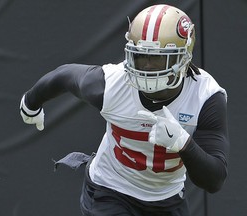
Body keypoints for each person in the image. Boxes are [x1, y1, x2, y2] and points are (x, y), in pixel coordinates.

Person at [19, 4, 229, 216]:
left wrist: (183, 144)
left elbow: (214, 180)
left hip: (167, 198)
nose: (147, 67)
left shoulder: (205, 97)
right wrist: (30, 102)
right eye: (140, 56)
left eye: (157, 58)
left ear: (184, 58)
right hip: (110, 189)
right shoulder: (113, 84)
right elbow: (64, 76)